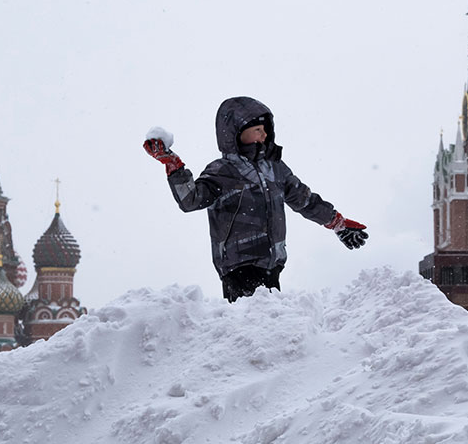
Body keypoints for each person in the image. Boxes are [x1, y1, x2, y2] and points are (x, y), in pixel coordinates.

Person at [143, 96, 367, 302]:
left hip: (272, 263)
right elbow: (191, 200)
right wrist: (173, 164)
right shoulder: (223, 171)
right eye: (258, 129)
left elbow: (305, 200)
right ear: (235, 133)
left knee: (269, 329)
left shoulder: (276, 170)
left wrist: (337, 223)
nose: (264, 135)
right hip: (238, 267)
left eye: (266, 130)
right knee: (249, 328)